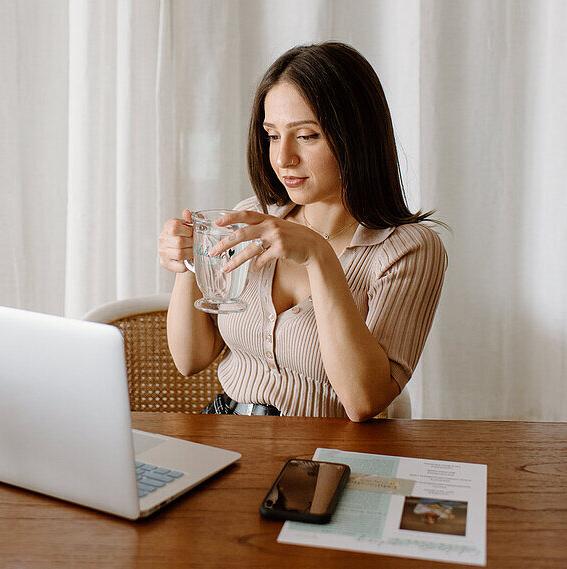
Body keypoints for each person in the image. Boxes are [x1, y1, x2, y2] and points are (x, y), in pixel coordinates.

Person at [158, 42, 447, 420]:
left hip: (326, 456)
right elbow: (190, 359)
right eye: (273, 135)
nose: (282, 158)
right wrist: (189, 263)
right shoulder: (252, 217)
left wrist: (318, 256)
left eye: (307, 136)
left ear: (356, 136)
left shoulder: (408, 250)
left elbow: (364, 401)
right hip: (228, 433)